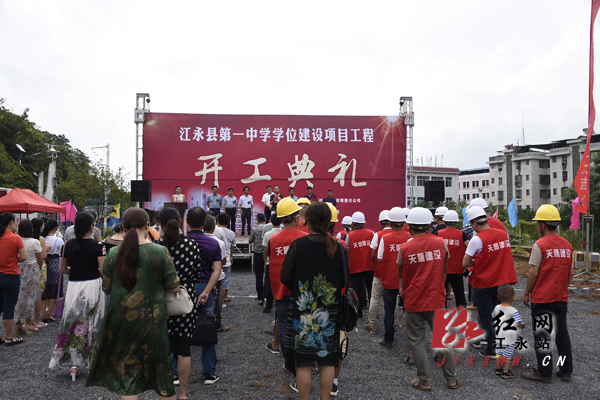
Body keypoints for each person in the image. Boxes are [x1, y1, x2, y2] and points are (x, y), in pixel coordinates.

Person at [85, 207, 179, 399]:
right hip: (153, 320)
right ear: (147, 225)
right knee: (161, 372)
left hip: (121, 320)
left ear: (125, 228)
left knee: (127, 376)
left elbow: (107, 288)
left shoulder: (113, 254)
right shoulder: (160, 252)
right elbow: (173, 286)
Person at [281, 202, 346, 400]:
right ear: (329, 223)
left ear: (307, 222)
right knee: (327, 360)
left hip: (302, 309)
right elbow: (344, 279)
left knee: (303, 362)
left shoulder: (298, 245)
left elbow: (285, 276)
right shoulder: (338, 246)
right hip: (329, 312)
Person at [398, 207, 461, 391]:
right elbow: (445, 269)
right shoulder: (441, 243)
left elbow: (402, 274)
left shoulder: (405, 248)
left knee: (417, 342)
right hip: (436, 298)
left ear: (409, 226)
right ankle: (451, 380)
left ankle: (424, 382)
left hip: (414, 299)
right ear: (429, 226)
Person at [50, 212, 106, 381]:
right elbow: (103, 270)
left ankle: (74, 365)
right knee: (94, 322)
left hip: (74, 286)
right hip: (93, 286)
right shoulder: (98, 245)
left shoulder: (66, 245)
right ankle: (93, 361)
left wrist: (74, 271)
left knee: (73, 323)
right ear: (91, 226)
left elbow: (63, 269)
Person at [522, 204, 574, 383]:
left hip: (542, 298)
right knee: (561, 334)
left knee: (543, 334)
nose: (537, 226)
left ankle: (544, 373)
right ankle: (566, 371)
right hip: (561, 297)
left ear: (542, 225)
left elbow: (533, 272)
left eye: (538, 223)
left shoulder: (539, 245)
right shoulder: (568, 245)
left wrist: (526, 293)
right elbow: (571, 272)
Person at [156, 206, 200, 399]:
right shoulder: (192, 244)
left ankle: (166, 391)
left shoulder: (156, 246)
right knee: (184, 348)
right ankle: (183, 393)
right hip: (185, 298)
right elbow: (197, 273)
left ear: (161, 224)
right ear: (180, 220)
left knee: (163, 347)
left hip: (161, 298)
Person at [462, 206, 517, 357]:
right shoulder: (502, 234)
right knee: (497, 314)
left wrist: (478, 260)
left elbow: (465, 263)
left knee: (486, 315)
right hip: (500, 282)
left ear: (474, 224)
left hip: (483, 282)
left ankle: (491, 349)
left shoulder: (477, 239)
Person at [186, 206, 223, 385]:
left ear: (186, 222)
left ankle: (176, 372)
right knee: (207, 327)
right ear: (204, 223)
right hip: (205, 287)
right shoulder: (213, 243)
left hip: (183, 289)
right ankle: (209, 372)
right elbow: (217, 271)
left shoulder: (180, 242)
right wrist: (207, 291)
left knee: (179, 328)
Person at [265, 198, 306, 356]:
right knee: (302, 324)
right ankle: (301, 359)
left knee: (283, 324)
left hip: (280, 290)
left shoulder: (273, 239)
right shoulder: (303, 237)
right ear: (296, 218)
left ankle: (287, 361)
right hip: (300, 290)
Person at [376, 207, 412, 347]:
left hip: (389, 280)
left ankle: (388, 339)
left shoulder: (385, 238)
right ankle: (412, 341)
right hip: (406, 280)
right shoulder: (409, 237)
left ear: (390, 223)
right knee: (408, 311)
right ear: (403, 222)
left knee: (389, 311)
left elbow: (379, 258)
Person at [0, 212, 27, 346]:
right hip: (11, 275)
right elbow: (24, 257)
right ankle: (9, 337)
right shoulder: (15, 238)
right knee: (9, 307)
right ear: (11, 222)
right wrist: (14, 260)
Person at [14, 220, 43, 335]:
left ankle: (17, 324)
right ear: (31, 229)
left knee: (19, 296)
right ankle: (28, 323)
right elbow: (40, 259)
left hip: (19, 268)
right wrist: (39, 268)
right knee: (31, 296)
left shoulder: (17, 240)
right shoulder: (34, 242)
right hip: (32, 268)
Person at [365, 210, 392, 332]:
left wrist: (376, 264)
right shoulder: (405, 235)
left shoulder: (378, 235)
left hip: (380, 272)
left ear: (381, 222)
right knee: (394, 299)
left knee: (375, 297)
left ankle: (372, 323)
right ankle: (394, 323)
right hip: (394, 273)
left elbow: (372, 254)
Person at [345, 211, 374, 318]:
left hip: (355, 267)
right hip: (370, 266)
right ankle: (373, 313)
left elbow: (348, 251)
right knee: (370, 289)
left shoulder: (349, 236)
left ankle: (359, 312)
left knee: (357, 290)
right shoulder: (372, 233)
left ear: (353, 224)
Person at [492, 284, 525, 379]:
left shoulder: (497, 307)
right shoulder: (513, 310)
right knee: (507, 355)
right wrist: (521, 325)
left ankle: (498, 368)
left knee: (499, 352)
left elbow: (493, 317)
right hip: (509, 338)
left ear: (498, 297)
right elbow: (518, 322)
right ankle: (505, 371)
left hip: (499, 336)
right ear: (513, 297)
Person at [437, 210, 468, 309]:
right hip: (457, 270)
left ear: (444, 222)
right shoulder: (462, 234)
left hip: (442, 271)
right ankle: (462, 320)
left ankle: (442, 321)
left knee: (442, 296)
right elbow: (470, 247)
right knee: (460, 296)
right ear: (456, 222)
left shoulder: (438, 233)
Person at [41, 219, 65, 323]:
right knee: (54, 289)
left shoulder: (42, 238)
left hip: (45, 264)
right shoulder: (59, 240)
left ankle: (43, 314)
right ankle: (50, 313)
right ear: (55, 229)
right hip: (55, 264)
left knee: (44, 289)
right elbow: (62, 252)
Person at [261, 214, 281, 314]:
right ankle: (279, 305)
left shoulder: (268, 234)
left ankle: (268, 306)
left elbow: (265, 251)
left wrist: (265, 263)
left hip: (271, 262)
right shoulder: (282, 233)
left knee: (269, 284)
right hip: (282, 262)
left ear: (271, 222)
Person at [32, 217, 49, 328]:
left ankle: (27, 321)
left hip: (27, 267)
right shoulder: (41, 239)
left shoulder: (24, 238)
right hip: (40, 267)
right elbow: (42, 256)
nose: (44, 226)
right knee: (39, 294)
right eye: (42, 224)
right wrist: (46, 249)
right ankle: (36, 320)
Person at [216, 213, 235, 303]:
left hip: (216, 259)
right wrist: (231, 256)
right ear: (228, 222)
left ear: (218, 221)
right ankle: (224, 298)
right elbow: (232, 246)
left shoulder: (216, 230)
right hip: (226, 259)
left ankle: (216, 299)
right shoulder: (231, 233)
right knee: (225, 280)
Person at [249, 213, 268, 304]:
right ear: (265, 219)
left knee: (259, 276)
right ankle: (268, 295)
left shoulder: (255, 229)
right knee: (268, 276)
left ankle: (260, 296)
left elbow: (249, 241)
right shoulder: (269, 229)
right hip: (267, 254)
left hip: (257, 254)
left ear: (258, 220)